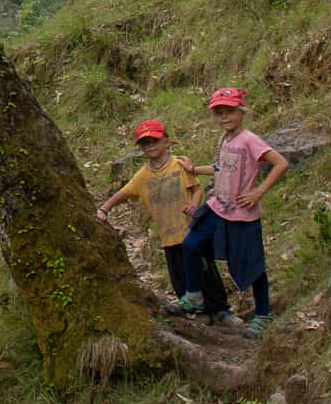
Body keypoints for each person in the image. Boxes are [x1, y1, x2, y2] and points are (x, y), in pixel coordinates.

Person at [167, 87, 288, 339]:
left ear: (241, 112)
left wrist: (258, 192)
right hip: (218, 207)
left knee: (254, 266)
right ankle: (194, 296)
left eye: (230, 111)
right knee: (191, 244)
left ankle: (262, 315)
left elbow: (281, 163)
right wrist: (194, 169)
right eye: (219, 113)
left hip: (243, 213)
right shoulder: (224, 139)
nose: (225, 117)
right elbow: (220, 167)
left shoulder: (249, 139)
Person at [95, 119, 202, 300]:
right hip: (168, 236)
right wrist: (104, 209)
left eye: (155, 140)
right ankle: (191, 310)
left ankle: (220, 308)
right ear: (140, 148)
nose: (151, 145)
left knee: (203, 273)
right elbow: (123, 193)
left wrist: (193, 206)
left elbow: (196, 189)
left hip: (191, 231)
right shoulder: (142, 176)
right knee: (179, 278)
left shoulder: (180, 164)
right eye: (145, 143)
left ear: (166, 141)